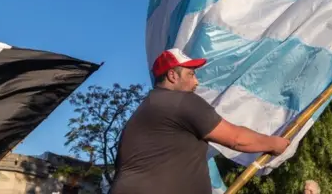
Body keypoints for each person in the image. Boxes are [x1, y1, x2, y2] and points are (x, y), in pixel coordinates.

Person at [109, 48, 291, 194]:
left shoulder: (148, 108)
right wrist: (274, 143)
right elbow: (236, 139)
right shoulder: (180, 101)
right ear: (173, 76)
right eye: (191, 74)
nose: (196, 82)